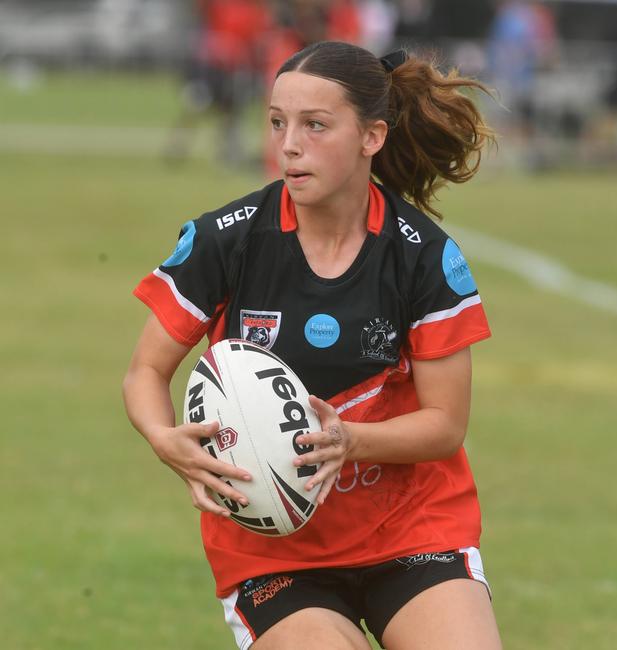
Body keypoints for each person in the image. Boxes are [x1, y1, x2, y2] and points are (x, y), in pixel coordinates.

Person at [123, 41, 502, 650]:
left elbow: (445, 425)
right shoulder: (228, 240)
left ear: (371, 137)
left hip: (410, 528)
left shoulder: (424, 257)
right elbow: (144, 371)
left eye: (315, 125)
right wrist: (165, 439)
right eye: (277, 122)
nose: (288, 144)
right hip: (273, 547)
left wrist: (350, 441)